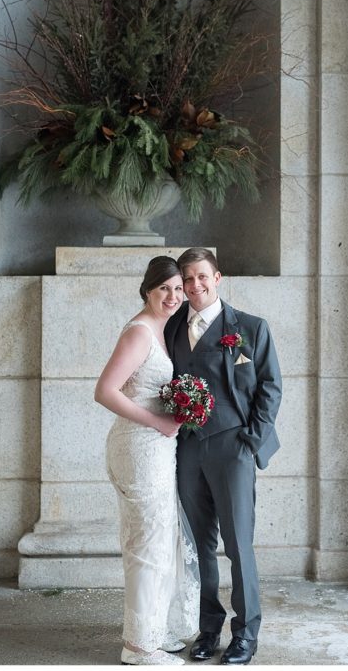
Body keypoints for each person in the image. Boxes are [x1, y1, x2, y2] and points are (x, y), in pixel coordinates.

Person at [165, 247, 281, 666]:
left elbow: (270, 386)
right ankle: (207, 629)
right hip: (188, 449)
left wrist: (250, 440)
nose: (194, 286)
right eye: (187, 279)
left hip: (233, 448)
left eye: (201, 277)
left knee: (238, 545)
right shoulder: (173, 328)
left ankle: (246, 635)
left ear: (217, 278)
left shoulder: (249, 328)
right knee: (198, 545)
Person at [95, 256, 199, 666]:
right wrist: (158, 420)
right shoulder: (139, 332)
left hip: (156, 447)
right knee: (147, 546)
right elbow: (105, 391)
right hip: (139, 447)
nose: (173, 296)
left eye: (178, 289)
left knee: (159, 542)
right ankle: (139, 649)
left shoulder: (161, 327)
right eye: (164, 289)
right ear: (147, 291)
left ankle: (152, 632)